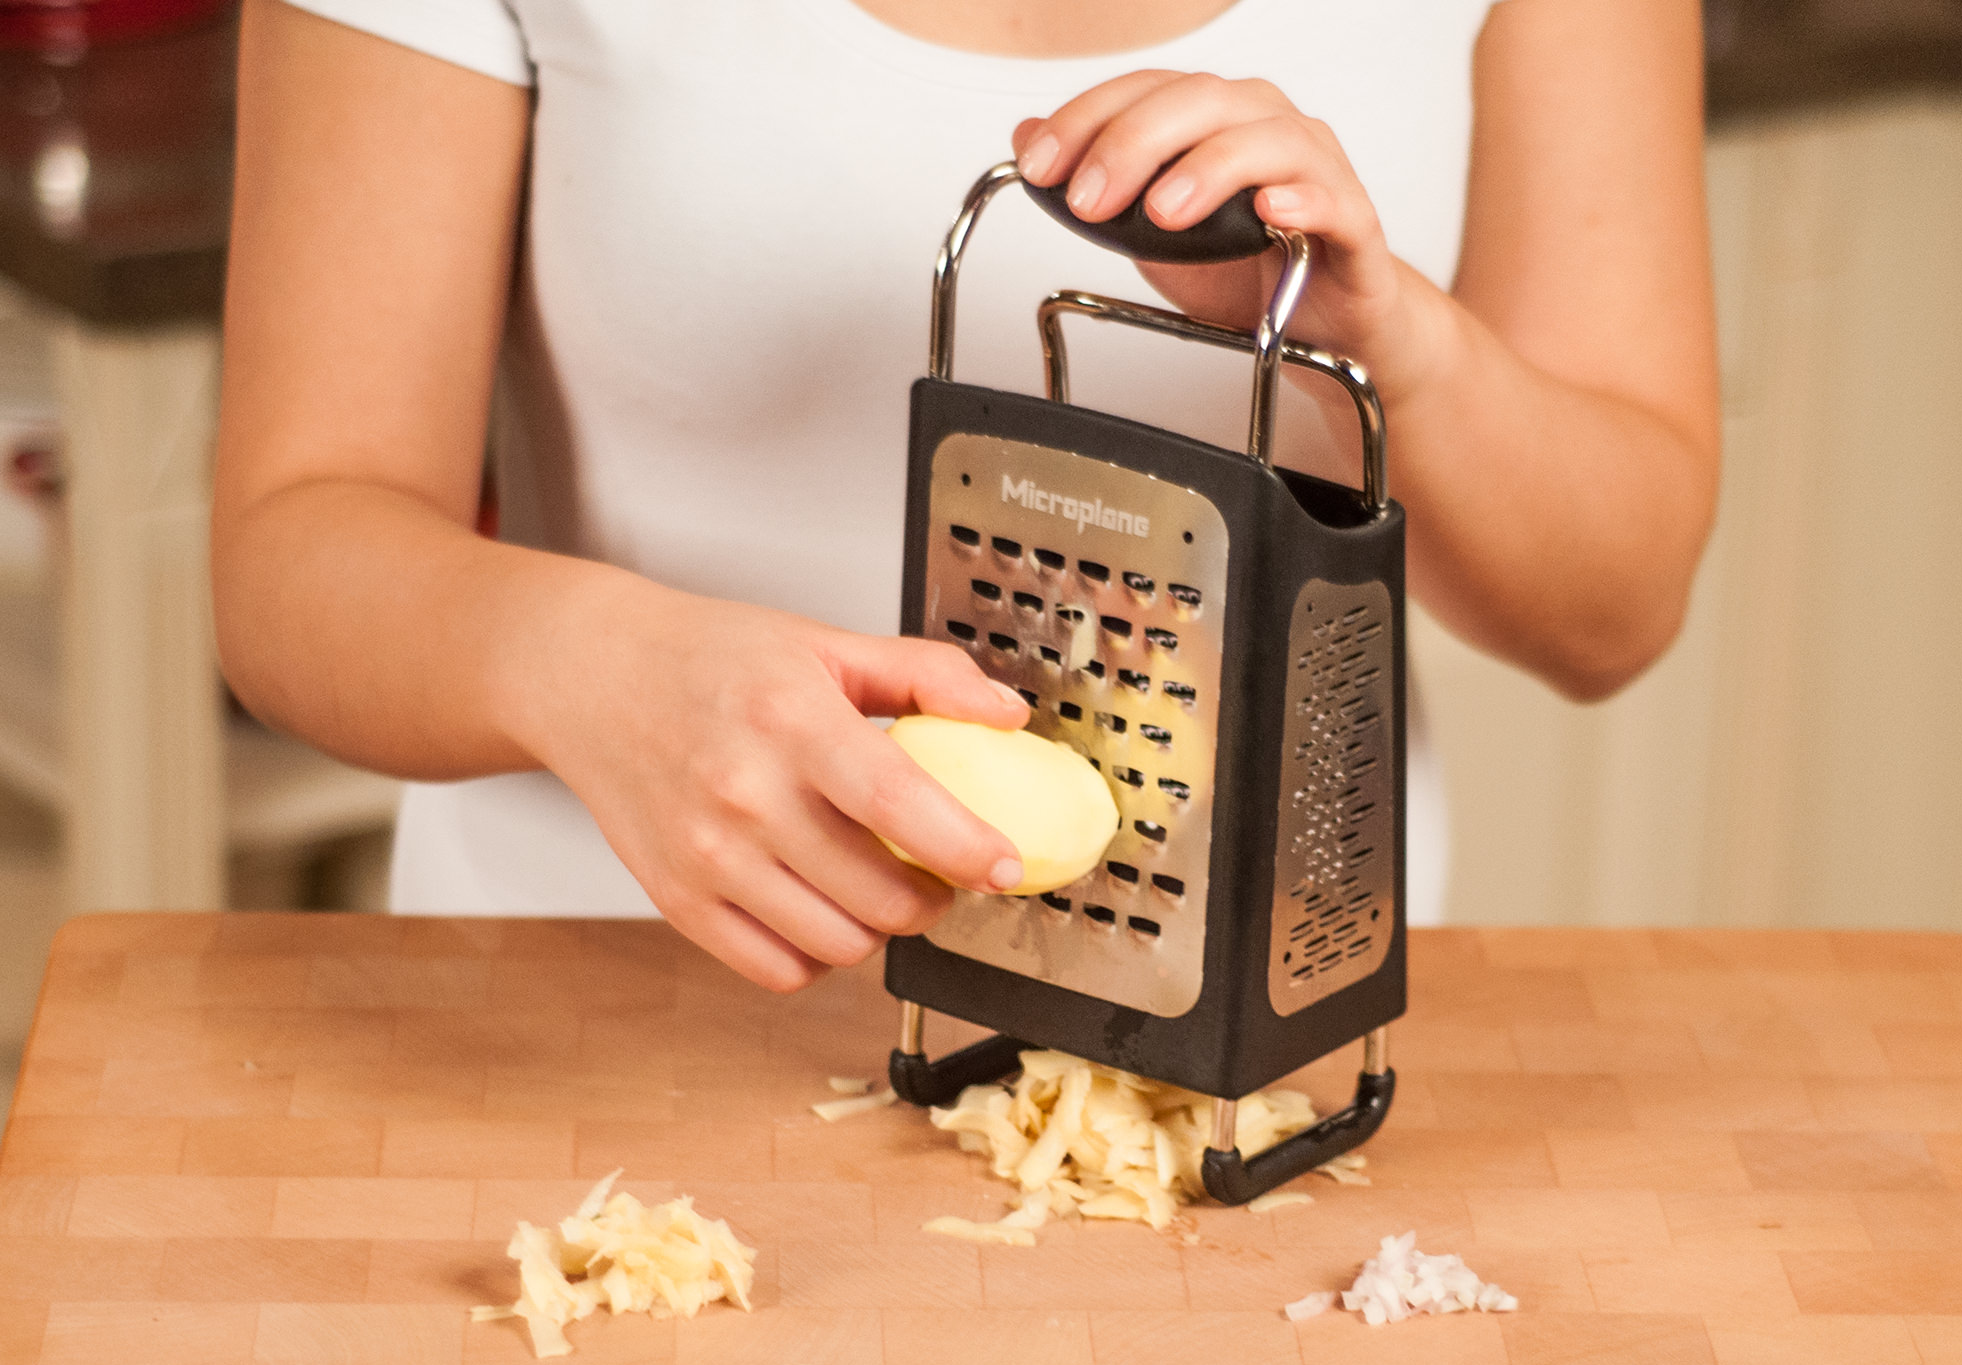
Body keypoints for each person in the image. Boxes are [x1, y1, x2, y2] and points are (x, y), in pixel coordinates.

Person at [213, 0, 1718, 993]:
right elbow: (295, 550)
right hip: (596, 1027)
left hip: (1256, 1059)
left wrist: (1388, 344)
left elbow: (1615, 606)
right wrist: (588, 667)